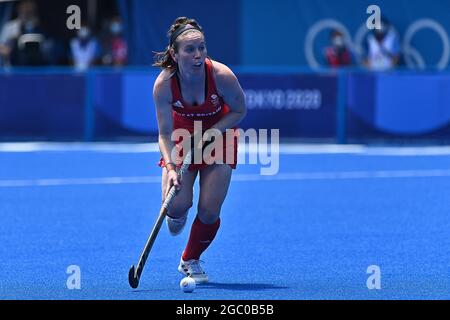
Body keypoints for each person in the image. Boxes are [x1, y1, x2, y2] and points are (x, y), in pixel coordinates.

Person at [152, 17, 246, 283]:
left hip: (219, 134)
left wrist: (212, 133)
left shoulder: (221, 75)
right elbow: (164, 134)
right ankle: (177, 213)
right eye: (190, 50)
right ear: (174, 53)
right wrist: (170, 169)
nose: (197, 55)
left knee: (209, 210)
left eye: (201, 48)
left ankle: (190, 259)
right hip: (182, 137)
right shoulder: (164, 84)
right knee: (177, 205)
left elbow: (240, 110)